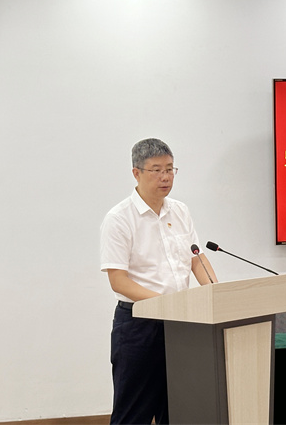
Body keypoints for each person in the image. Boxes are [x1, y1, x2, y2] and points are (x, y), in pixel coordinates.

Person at [100, 138, 218, 425]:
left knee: (179, 409)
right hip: (139, 325)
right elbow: (118, 281)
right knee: (133, 414)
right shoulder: (119, 218)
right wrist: (167, 304)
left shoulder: (180, 211)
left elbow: (196, 259)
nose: (165, 177)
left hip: (182, 323)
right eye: (156, 170)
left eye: (170, 169)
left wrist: (217, 293)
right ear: (136, 173)